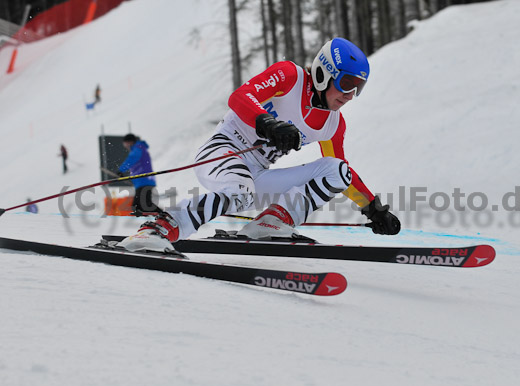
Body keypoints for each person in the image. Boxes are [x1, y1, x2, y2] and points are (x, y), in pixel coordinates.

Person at [122, 37, 400, 252]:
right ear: (324, 73)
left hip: (256, 175)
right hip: (222, 150)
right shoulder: (290, 76)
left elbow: (342, 173)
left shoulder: (333, 124)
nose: (350, 95)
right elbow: (241, 96)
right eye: (347, 83)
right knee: (239, 189)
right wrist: (267, 122)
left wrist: (372, 208)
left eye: (358, 88)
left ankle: (272, 222)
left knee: (338, 170)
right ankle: (158, 229)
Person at [118, 133, 160, 215]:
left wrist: (121, 170)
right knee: (138, 206)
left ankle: (164, 215)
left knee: (143, 205)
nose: (125, 146)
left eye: (125, 143)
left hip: (145, 180)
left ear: (129, 142)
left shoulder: (138, 147)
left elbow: (132, 159)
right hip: (142, 182)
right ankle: (152, 219)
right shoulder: (138, 149)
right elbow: (136, 167)